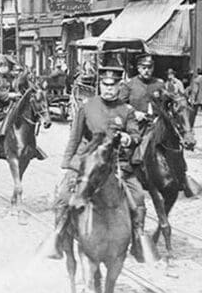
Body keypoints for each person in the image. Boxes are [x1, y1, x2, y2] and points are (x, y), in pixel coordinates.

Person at [46, 66, 145, 260]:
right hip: (87, 164)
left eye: (113, 85)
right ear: (100, 85)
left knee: (138, 196)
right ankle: (57, 237)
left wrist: (128, 138)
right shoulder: (87, 106)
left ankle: (138, 239)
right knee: (64, 197)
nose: (109, 89)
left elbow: (135, 135)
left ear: (119, 86)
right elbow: (74, 138)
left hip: (117, 164)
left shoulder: (126, 110)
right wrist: (67, 166)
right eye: (105, 85)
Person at [119, 54, 165, 163]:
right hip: (136, 124)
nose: (147, 71)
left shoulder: (159, 84)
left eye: (149, 68)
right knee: (131, 150)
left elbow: (165, 103)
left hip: (155, 124)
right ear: (138, 68)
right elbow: (120, 104)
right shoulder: (129, 85)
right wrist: (134, 113)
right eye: (144, 68)